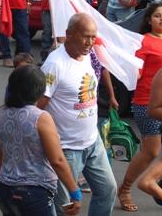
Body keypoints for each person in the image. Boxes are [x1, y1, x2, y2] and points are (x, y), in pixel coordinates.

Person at [37, 13, 116, 216]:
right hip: (66, 149)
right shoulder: (55, 64)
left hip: (92, 142)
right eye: (85, 36)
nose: (90, 42)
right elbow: (38, 107)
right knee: (66, 207)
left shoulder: (89, 56)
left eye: (93, 37)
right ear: (69, 35)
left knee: (107, 190)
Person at [0, 64, 82, 216]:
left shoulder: (1, 115)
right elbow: (57, 160)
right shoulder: (41, 118)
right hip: (33, 193)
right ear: (40, 90)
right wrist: (75, 192)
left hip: (4, 189)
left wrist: (10, 178)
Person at [118, 2, 162, 212]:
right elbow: (134, 71)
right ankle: (125, 189)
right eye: (158, 16)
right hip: (146, 103)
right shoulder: (143, 42)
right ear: (149, 20)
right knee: (151, 151)